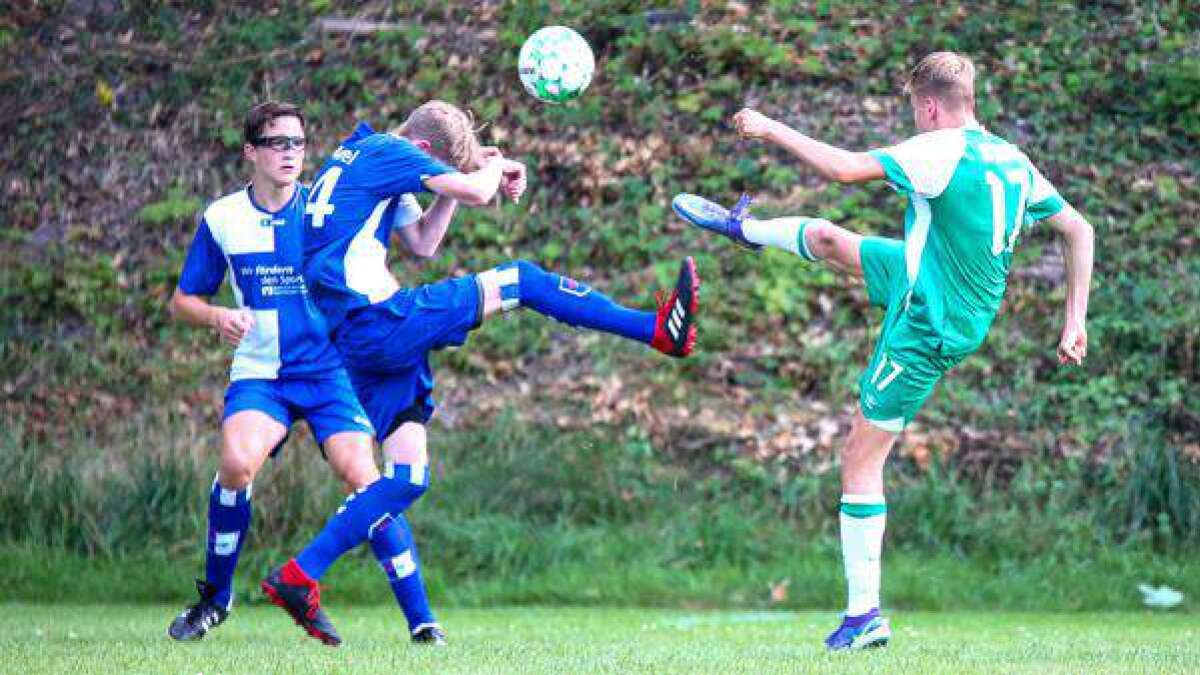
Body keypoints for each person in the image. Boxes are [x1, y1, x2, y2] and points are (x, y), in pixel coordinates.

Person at [672, 51, 1094, 650]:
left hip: (930, 320)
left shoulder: (937, 149)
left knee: (860, 458)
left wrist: (769, 127)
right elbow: (1080, 229)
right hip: (932, 280)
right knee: (827, 238)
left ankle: (863, 615)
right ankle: (743, 229)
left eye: (914, 111)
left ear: (929, 106)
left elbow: (844, 169)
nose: (915, 121)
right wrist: (1074, 321)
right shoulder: (1011, 158)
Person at [260, 100, 702, 645]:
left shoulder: (359, 156)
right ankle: (657, 330)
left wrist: (464, 178)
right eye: (434, 171)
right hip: (378, 321)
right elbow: (474, 191)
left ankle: (301, 576)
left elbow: (423, 244)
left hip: (360, 338)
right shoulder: (392, 152)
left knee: (406, 478)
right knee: (522, 280)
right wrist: (490, 171)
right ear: (421, 151)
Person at [165, 101, 378, 643]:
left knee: (366, 479)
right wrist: (216, 315)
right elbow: (181, 301)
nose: (290, 153)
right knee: (236, 464)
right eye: (278, 142)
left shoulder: (325, 212)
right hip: (263, 372)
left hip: (329, 372)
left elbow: (394, 240)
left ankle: (421, 621)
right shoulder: (223, 217)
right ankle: (215, 599)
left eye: (299, 143)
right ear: (251, 152)